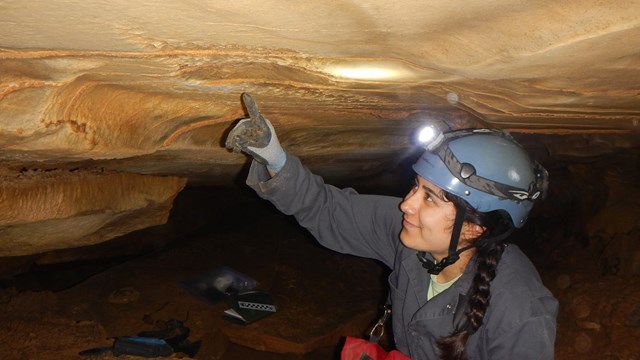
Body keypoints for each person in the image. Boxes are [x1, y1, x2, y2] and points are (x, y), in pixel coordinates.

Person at [225, 94, 558, 359]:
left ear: (475, 228)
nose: (406, 203)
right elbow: (326, 209)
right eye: (416, 186)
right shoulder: (413, 238)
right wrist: (275, 159)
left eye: (430, 197)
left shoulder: (520, 310)